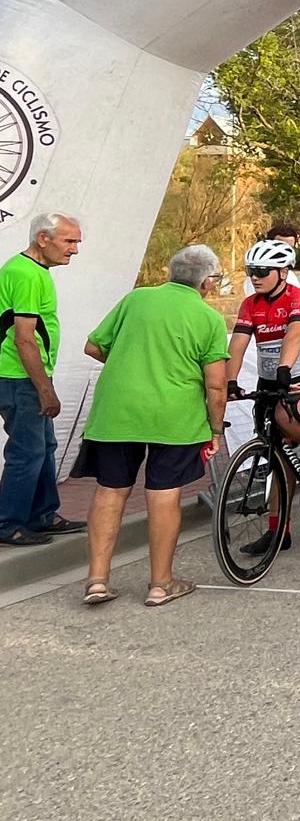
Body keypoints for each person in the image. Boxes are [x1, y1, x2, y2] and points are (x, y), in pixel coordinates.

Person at [76, 245, 230, 606]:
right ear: (207, 282)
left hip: (117, 412)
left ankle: (97, 580)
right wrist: (216, 429)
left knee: (110, 490)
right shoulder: (207, 318)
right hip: (174, 417)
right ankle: (161, 584)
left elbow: (92, 346)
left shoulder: (136, 300)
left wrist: (131, 361)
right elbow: (216, 384)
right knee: (164, 495)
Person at [225, 240, 300, 555]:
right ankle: (278, 531)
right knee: (278, 454)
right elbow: (238, 344)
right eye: (251, 271)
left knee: (288, 417)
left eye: (262, 271)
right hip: (271, 378)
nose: (255, 277)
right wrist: (230, 379)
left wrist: (286, 368)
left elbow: (295, 334)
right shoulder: (251, 304)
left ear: (283, 272)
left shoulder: (299, 298)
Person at [0, 212, 86, 547]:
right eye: (69, 241)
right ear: (43, 238)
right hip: (18, 377)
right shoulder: (25, 274)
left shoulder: (33, 271)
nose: (75, 250)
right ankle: (9, 523)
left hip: (24, 376)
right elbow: (24, 337)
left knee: (44, 446)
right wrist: (45, 388)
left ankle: (43, 514)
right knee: (28, 451)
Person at [265, 222, 300, 287]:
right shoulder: (257, 276)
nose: (286, 252)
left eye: (290, 248)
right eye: (281, 247)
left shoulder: (291, 278)